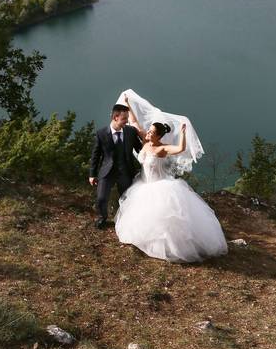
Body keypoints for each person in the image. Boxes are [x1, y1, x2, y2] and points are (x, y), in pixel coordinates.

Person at [114, 94, 228, 263]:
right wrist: (127, 103)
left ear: (158, 136)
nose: (148, 133)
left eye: (152, 132)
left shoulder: (162, 149)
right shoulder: (145, 141)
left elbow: (180, 148)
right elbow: (135, 122)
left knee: (165, 220)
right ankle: (145, 239)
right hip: (144, 184)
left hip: (160, 186)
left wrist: (182, 133)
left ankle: (170, 247)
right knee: (145, 216)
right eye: (149, 130)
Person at [89, 103, 143, 229]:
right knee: (101, 198)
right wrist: (92, 174)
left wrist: (152, 153)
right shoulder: (101, 133)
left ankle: (125, 221)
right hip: (107, 172)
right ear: (115, 117)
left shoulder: (130, 131)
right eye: (124, 119)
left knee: (127, 199)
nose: (127, 122)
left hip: (126, 172)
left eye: (127, 119)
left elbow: (140, 148)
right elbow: (95, 156)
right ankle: (102, 218)